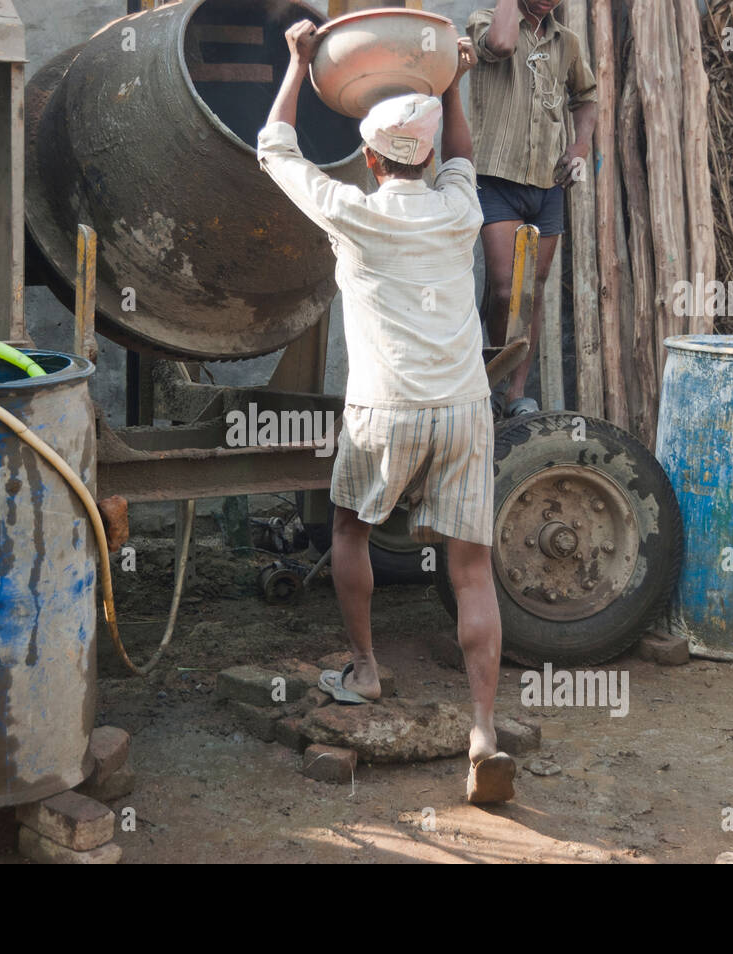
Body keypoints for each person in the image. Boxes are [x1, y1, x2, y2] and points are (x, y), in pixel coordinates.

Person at [257, 20, 515, 804]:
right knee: (472, 571)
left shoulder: (351, 211)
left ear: (370, 159)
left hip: (385, 409)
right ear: (428, 158)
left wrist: (301, 63)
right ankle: (483, 731)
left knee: (348, 529)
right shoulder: (460, 209)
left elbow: (274, 146)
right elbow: (464, 156)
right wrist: (456, 81)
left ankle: (366, 669)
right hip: (466, 406)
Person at [467, 0, 598, 417]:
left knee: (534, 287)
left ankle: (515, 393)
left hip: (548, 181)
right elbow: (502, 45)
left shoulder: (567, 42)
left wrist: (579, 145)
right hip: (496, 177)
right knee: (505, 286)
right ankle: (489, 378)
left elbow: (586, 97)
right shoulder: (485, 22)